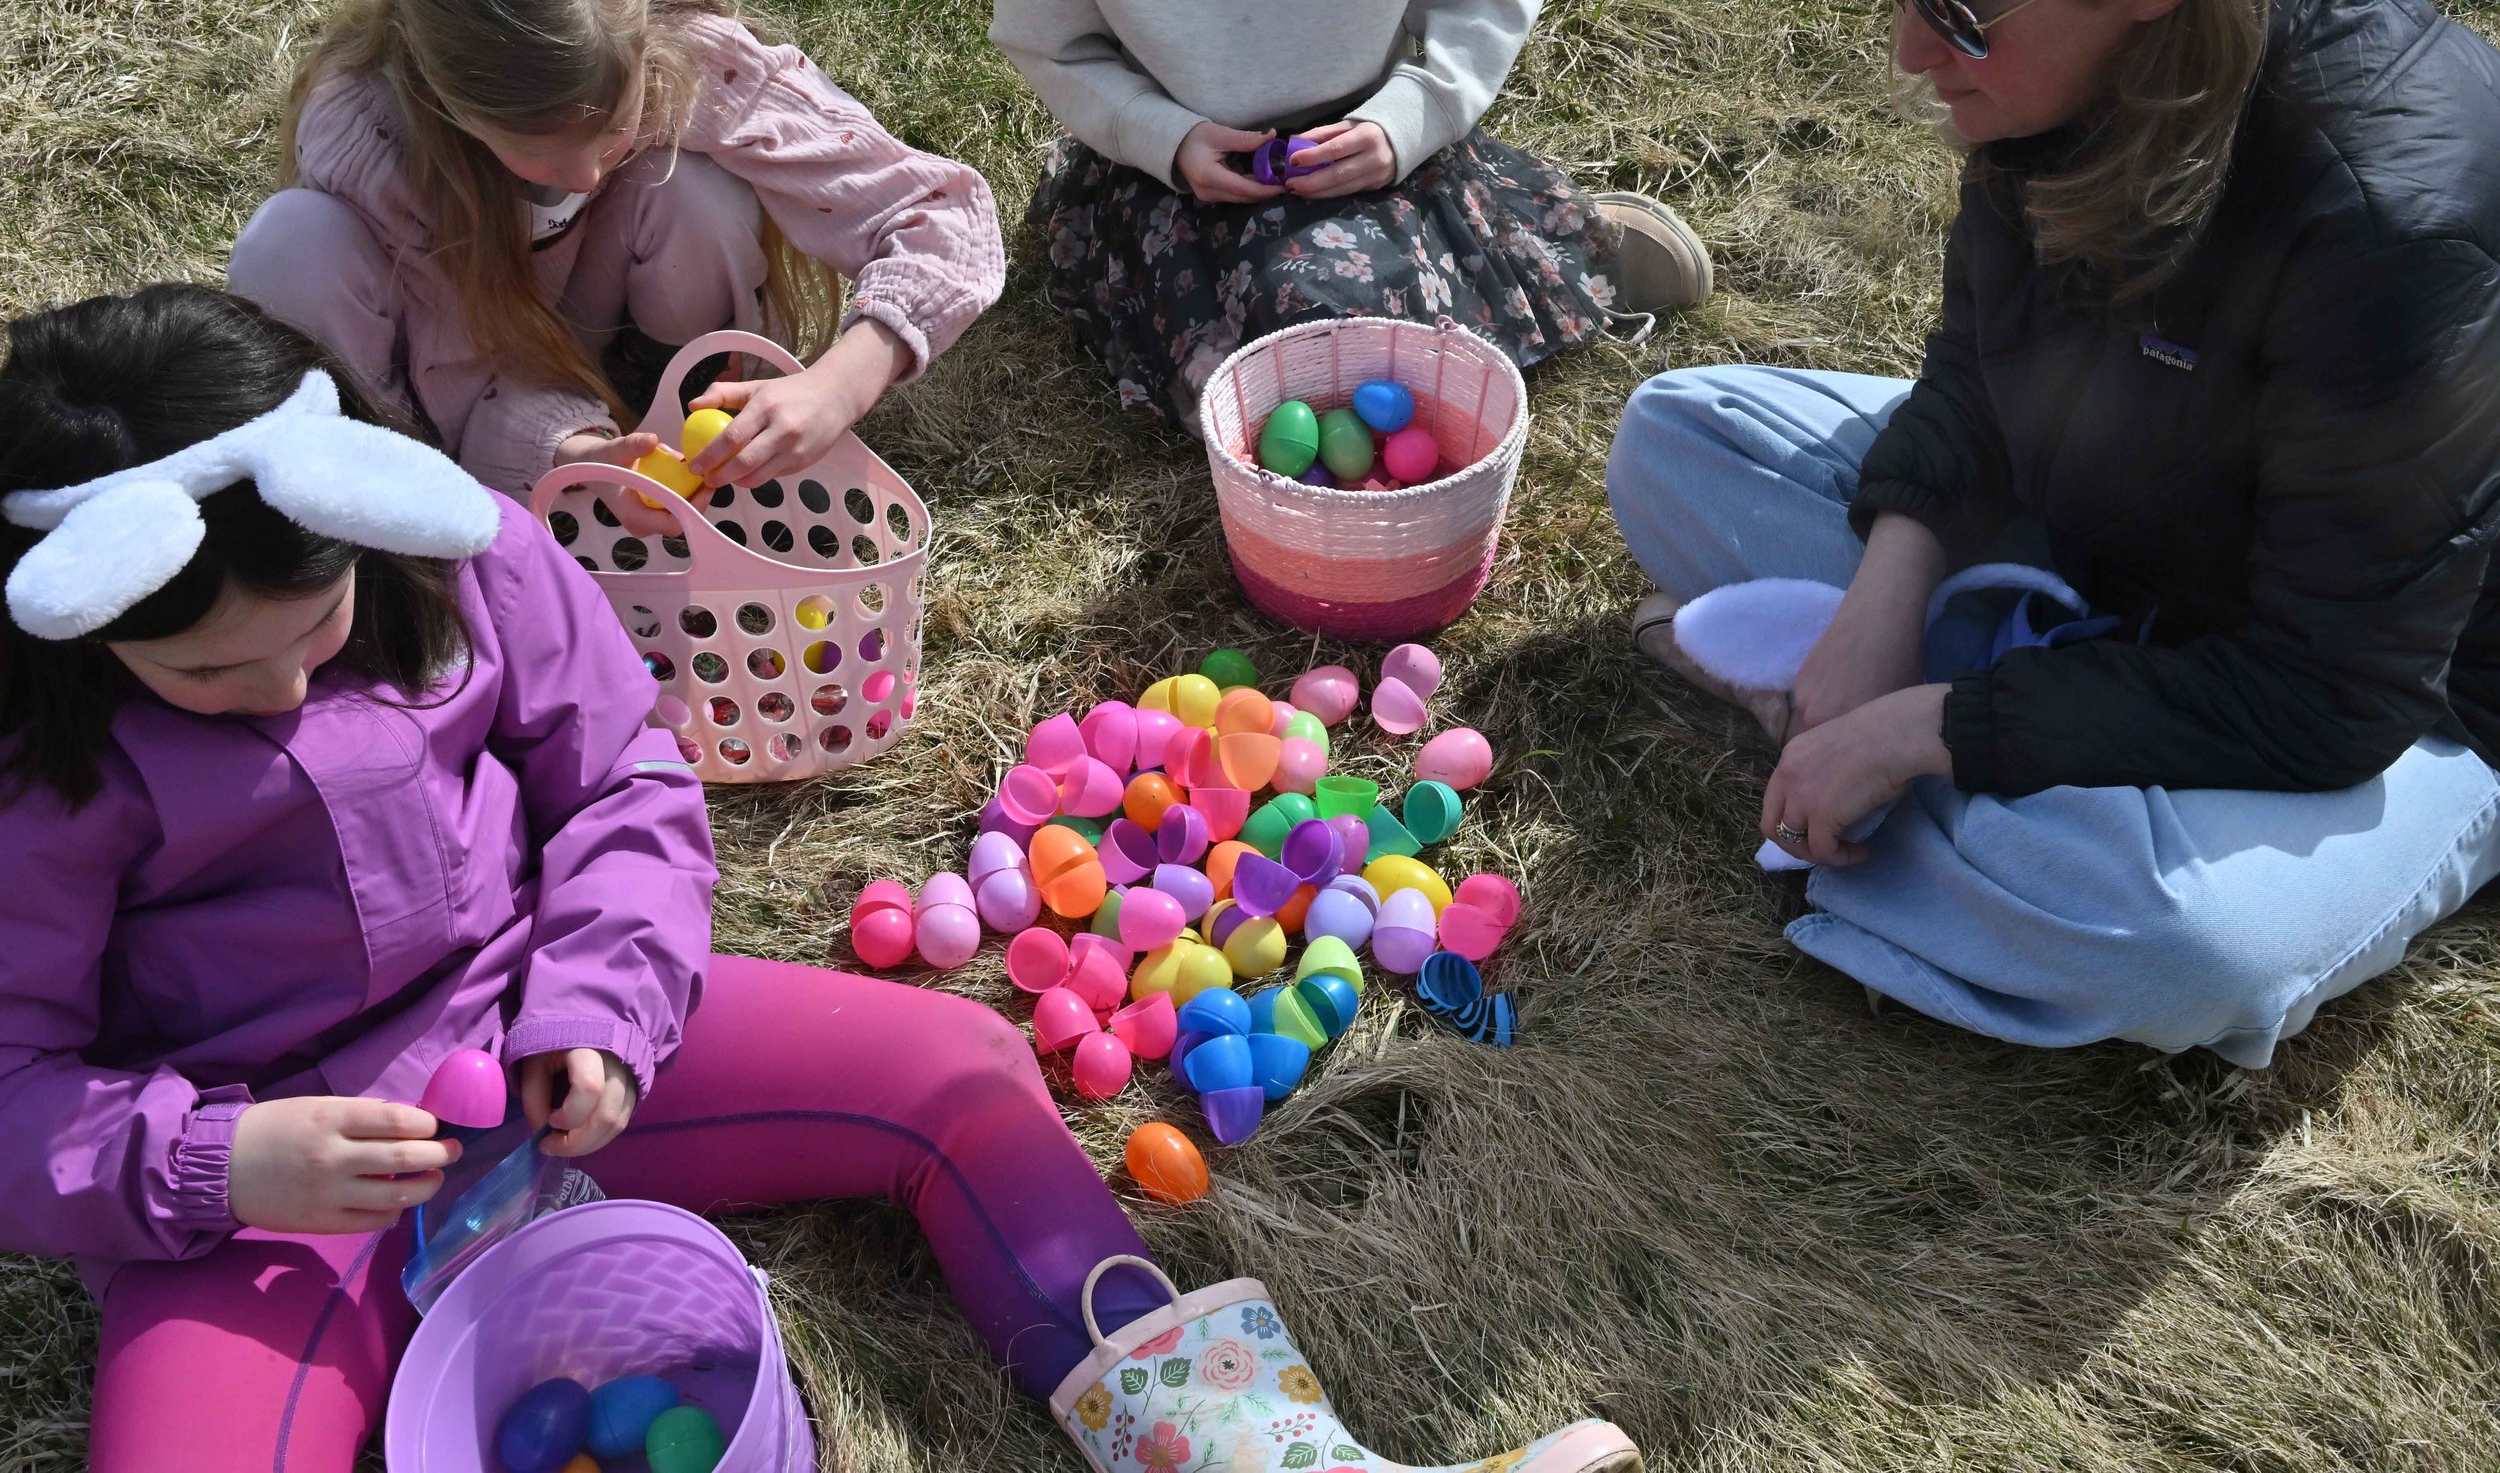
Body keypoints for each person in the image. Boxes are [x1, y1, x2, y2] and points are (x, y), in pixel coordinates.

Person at [0, 285, 1642, 1473]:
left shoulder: (459, 552)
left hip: (536, 1031)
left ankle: (1272, 1461)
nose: (286, 688)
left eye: (320, 633)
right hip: (267, 1173)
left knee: (959, 1068)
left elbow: (620, 778)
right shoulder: (37, 755)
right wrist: (220, 1163)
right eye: (213, 681)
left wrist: (598, 1007)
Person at [1607, 0, 2500, 1065]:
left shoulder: (2393, 223)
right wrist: (1878, 602)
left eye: (1959, 10)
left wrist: (1931, 727)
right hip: (2123, 522)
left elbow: (2328, 693)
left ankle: (1920, 766)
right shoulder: (2085, 48)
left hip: (2407, 687)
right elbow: (1981, 356)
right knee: (1673, 434)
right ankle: (1940, 760)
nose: (1912, 53)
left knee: (2178, 942)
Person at [229, 0, 1004, 502]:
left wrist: (843, 379)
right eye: (537, 149)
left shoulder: (684, 63)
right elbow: (469, 383)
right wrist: (568, 457)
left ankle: (674, 413)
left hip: (600, 356)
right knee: (292, 246)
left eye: (612, 132)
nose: (582, 173)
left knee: (693, 190)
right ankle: (390, 527)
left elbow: (944, 212)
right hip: (457, 426)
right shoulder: (382, 148)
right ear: (446, 103)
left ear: (643, 48)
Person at [989, 0, 1712, 427]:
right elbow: (1054, 44)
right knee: (1307, 350)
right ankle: (1528, 263)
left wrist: (1415, 111)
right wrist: (1163, 137)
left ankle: (1563, 248)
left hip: (1374, 146)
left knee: (1368, 339)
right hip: (1177, 180)